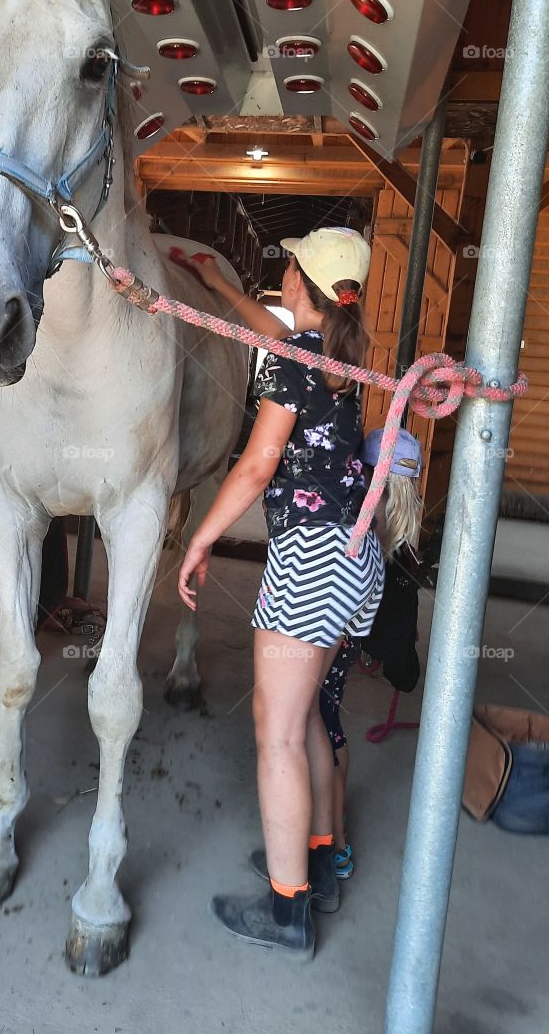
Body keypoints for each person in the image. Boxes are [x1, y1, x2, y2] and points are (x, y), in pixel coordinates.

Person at [178, 227, 383, 962]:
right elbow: (275, 329)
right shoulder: (339, 353)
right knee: (295, 719)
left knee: (277, 734)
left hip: (313, 560)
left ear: (302, 280)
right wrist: (221, 285)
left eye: (289, 267)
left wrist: (200, 538)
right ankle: (319, 862)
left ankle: (287, 909)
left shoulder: (296, 366)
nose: (283, 274)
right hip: (355, 559)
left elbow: (260, 463)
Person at [320, 425, 424, 878]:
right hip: (342, 655)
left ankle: (332, 845)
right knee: (330, 731)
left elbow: (402, 665)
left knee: (319, 735)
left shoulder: (370, 550)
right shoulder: (397, 556)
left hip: (329, 653)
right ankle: (333, 839)